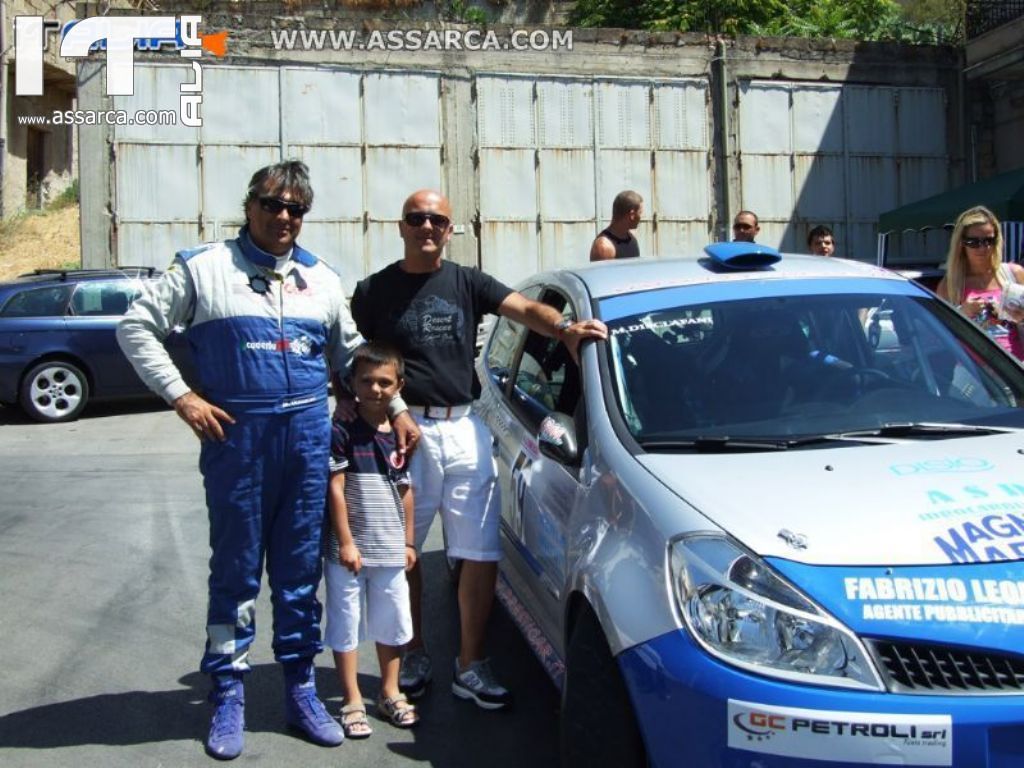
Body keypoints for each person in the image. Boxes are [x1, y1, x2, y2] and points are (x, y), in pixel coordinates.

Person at [118, 160, 364, 760]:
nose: (283, 217)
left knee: (300, 575)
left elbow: (352, 354)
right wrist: (182, 397)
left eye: (295, 208)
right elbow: (135, 327)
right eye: (272, 204)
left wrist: (399, 405)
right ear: (249, 205)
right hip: (239, 442)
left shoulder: (322, 278)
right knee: (235, 574)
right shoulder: (203, 267)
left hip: (306, 440)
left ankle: (301, 689)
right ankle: (228, 690)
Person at [350, 189, 607, 711]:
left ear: (449, 230)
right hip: (406, 430)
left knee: (480, 551)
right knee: (401, 553)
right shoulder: (373, 291)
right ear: (401, 226)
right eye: (417, 218)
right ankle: (411, 653)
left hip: (465, 427)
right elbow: (356, 359)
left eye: (436, 220)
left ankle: (470, 663)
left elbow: (525, 308)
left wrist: (564, 329)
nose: (426, 227)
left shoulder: (467, 282)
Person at [324, 342, 418, 739]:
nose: (375, 389)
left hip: (390, 548)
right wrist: (346, 542)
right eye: (366, 381)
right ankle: (351, 699)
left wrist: (409, 543)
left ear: (399, 386)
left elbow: (405, 490)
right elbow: (335, 486)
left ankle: (389, 691)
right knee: (345, 622)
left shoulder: (401, 434)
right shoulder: (341, 429)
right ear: (351, 383)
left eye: (384, 382)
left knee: (391, 622)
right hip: (348, 552)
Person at [937, 205, 1024, 361]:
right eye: (974, 242)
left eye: (989, 240)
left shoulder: (1014, 274)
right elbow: (939, 335)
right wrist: (962, 313)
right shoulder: (950, 284)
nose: (983, 248)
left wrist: (1021, 317)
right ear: (961, 244)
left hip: (1014, 368)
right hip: (973, 371)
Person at [590, 190, 642, 261]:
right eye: (640, 213)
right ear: (632, 215)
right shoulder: (604, 247)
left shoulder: (632, 238)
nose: (641, 217)